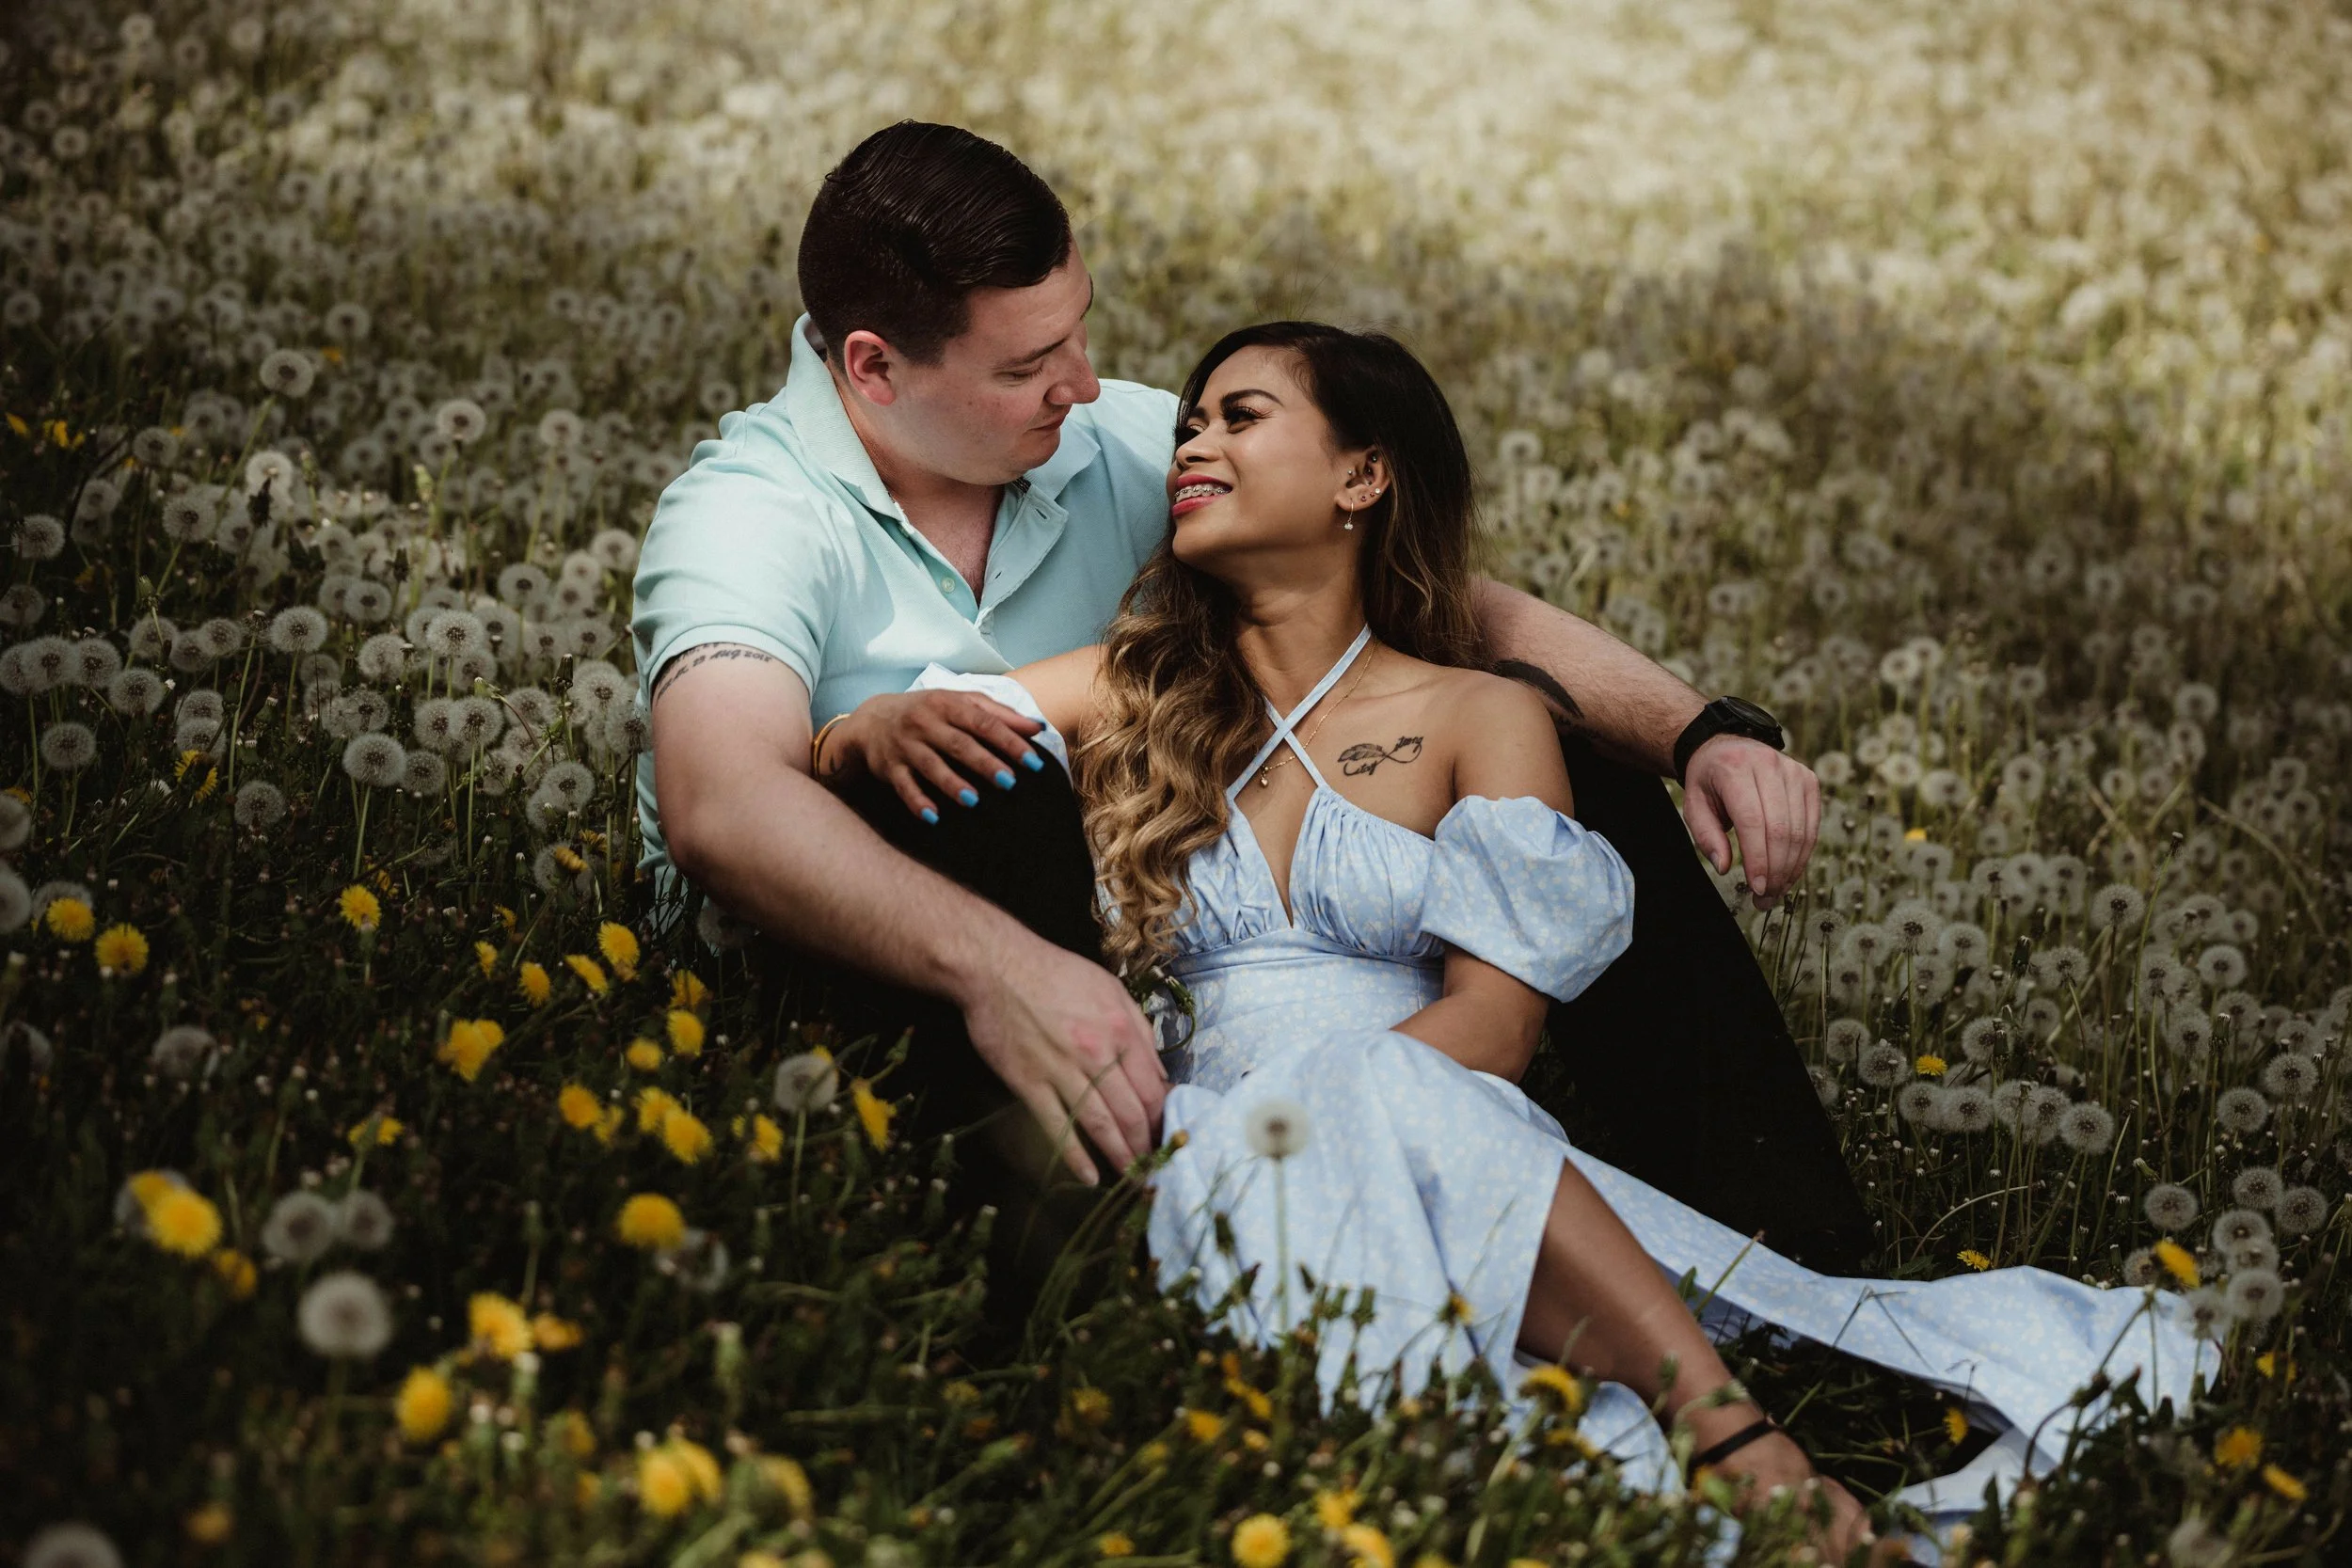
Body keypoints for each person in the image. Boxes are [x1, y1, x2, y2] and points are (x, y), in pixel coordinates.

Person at [812, 322, 2215, 1561]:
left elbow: (1495, 1029)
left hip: (1441, 1114)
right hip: (1204, 1155)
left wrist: (1341, 1114)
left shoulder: (1483, 712)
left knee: (1401, 1104)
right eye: (1188, 423)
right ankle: (1751, 1462)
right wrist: (860, 725)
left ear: (1364, 477)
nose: (1193, 445)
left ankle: (1742, 1454)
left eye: (1241, 416)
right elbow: (912, 728)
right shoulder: (1136, 691)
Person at [632, 119, 1867, 1300]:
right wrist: (1002, 965)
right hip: (897, 937)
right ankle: (1076, 1273)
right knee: (983, 775)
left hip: (1139, 893)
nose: (1080, 384)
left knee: (1558, 752)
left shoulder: (1115, 440)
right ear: (873, 367)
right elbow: (723, 805)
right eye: (1024, 367)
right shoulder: (749, 514)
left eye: (1078, 332)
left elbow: (1442, 600)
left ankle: (1788, 1238)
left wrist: (1700, 732)